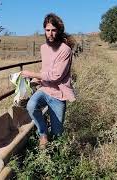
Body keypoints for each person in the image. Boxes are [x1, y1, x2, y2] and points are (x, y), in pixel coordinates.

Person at [21, 13, 76, 149]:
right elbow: (45, 69)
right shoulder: (43, 48)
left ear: (59, 30)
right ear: (44, 30)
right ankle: (43, 134)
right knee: (31, 106)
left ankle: (55, 157)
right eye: (47, 30)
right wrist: (36, 79)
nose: (50, 33)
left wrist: (31, 73)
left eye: (53, 30)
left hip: (58, 94)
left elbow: (56, 76)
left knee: (57, 134)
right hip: (45, 90)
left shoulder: (65, 50)